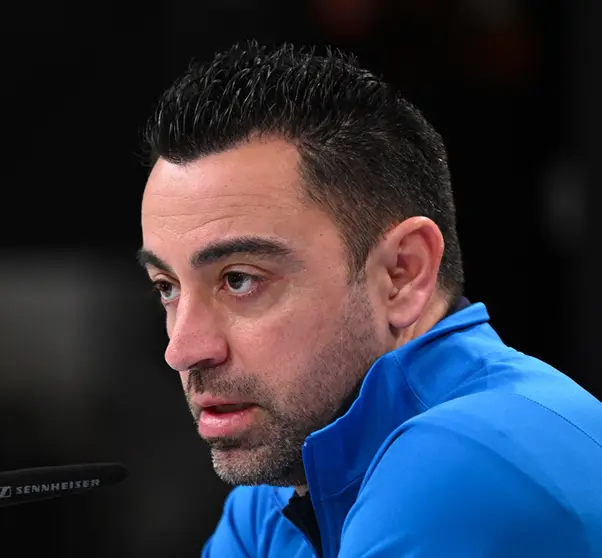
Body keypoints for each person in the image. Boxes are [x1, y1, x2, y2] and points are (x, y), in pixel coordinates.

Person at [136, 41, 602, 557]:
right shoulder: (274, 500)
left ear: (402, 274)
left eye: (240, 279)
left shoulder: (467, 463)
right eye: (167, 288)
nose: (182, 349)